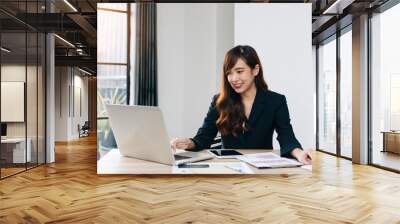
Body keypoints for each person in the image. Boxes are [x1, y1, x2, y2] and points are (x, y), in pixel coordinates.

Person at [170, 45, 312, 165]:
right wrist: (187, 143)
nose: (234, 79)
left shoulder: (276, 101)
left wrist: (299, 154)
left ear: (255, 70)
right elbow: (203, 138)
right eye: (229, 73)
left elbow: (287, 137)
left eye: (239, 71)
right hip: (229, 167)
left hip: (261, 168)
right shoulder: (219, 101)